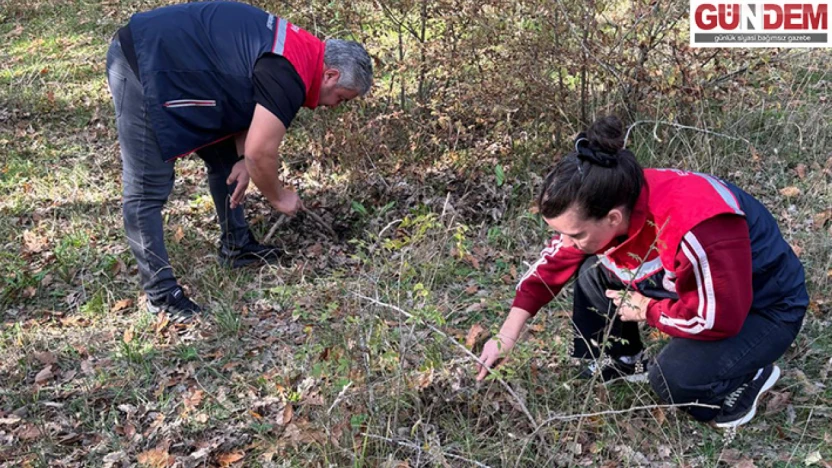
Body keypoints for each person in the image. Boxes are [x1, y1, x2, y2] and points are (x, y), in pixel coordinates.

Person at [475, 116, 808, 429]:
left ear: (613, 218)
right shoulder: (611, 192)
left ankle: (748, 375)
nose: (566, 242)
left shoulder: (698, 226)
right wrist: (507, 336)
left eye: (574, 234)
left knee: (672, 379)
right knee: (592, 270)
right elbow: (551, 266)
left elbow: (718, 319)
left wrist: (649, 310)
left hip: (763, 308)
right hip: (706, 288)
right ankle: (622, 360)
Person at [105, 2, 373, 322]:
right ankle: (161, 295)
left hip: (184, 66)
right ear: (330, 75)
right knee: (147, 189)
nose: (335, 106)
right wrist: (278, 196)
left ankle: (236, 246)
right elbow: (261, 153)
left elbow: (246, 88)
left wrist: (245, 158)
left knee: (226, 162)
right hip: (143, 61)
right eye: (341, 97)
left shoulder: (300, 52)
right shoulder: (291, 71)